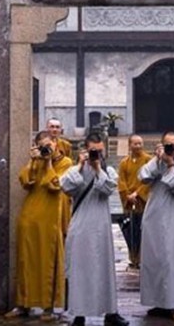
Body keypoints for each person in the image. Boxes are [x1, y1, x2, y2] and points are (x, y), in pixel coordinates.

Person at [61, 133, 129, 326]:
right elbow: (65, 186)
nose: (96, 154)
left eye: (99, 151)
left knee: (104, 269)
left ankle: (111, 312)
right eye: (93, 151)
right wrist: (80, 166)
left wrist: (98, 168)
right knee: (79, 269)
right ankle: (79, 313)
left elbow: (107, 189)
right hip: (81, 225)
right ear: (85, 149)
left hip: (101, 227)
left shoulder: (108, 170)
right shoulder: (76, 169)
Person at [5, 130, 72, 322]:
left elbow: (55, 185)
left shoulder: (66, 163)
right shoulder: (37, 160)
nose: (46, 149)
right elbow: (25, 181)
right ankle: (23, 304)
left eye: (48, 145)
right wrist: (32, 160)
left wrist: (48, 162)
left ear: (55, 142)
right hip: (30, 215)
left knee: (48, 261)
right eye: (42, 146)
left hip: (50, 218)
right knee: (25, 260)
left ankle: (48, 307)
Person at [139, 132, 174, 322]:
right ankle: (158, 302)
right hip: (153, 217)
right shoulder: (156, 163)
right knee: (154, 260)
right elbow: (143, 177)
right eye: (169, 145)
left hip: (173, 218)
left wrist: (170, 166)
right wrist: (157, 160)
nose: (173, 148)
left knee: (172, 261)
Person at [117, 134, 152, 269]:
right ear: (129, 145)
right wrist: (127, 195)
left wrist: (137, 193)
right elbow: (121, 181)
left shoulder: (148, 160)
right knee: (130, 229)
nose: (138, 146)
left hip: (142, 199)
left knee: (143, 229)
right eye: (135, 144)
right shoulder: (124, 162)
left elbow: (149, 180)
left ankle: (143, 257)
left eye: (140, 143)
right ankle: (133, 257)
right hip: (129, 201)